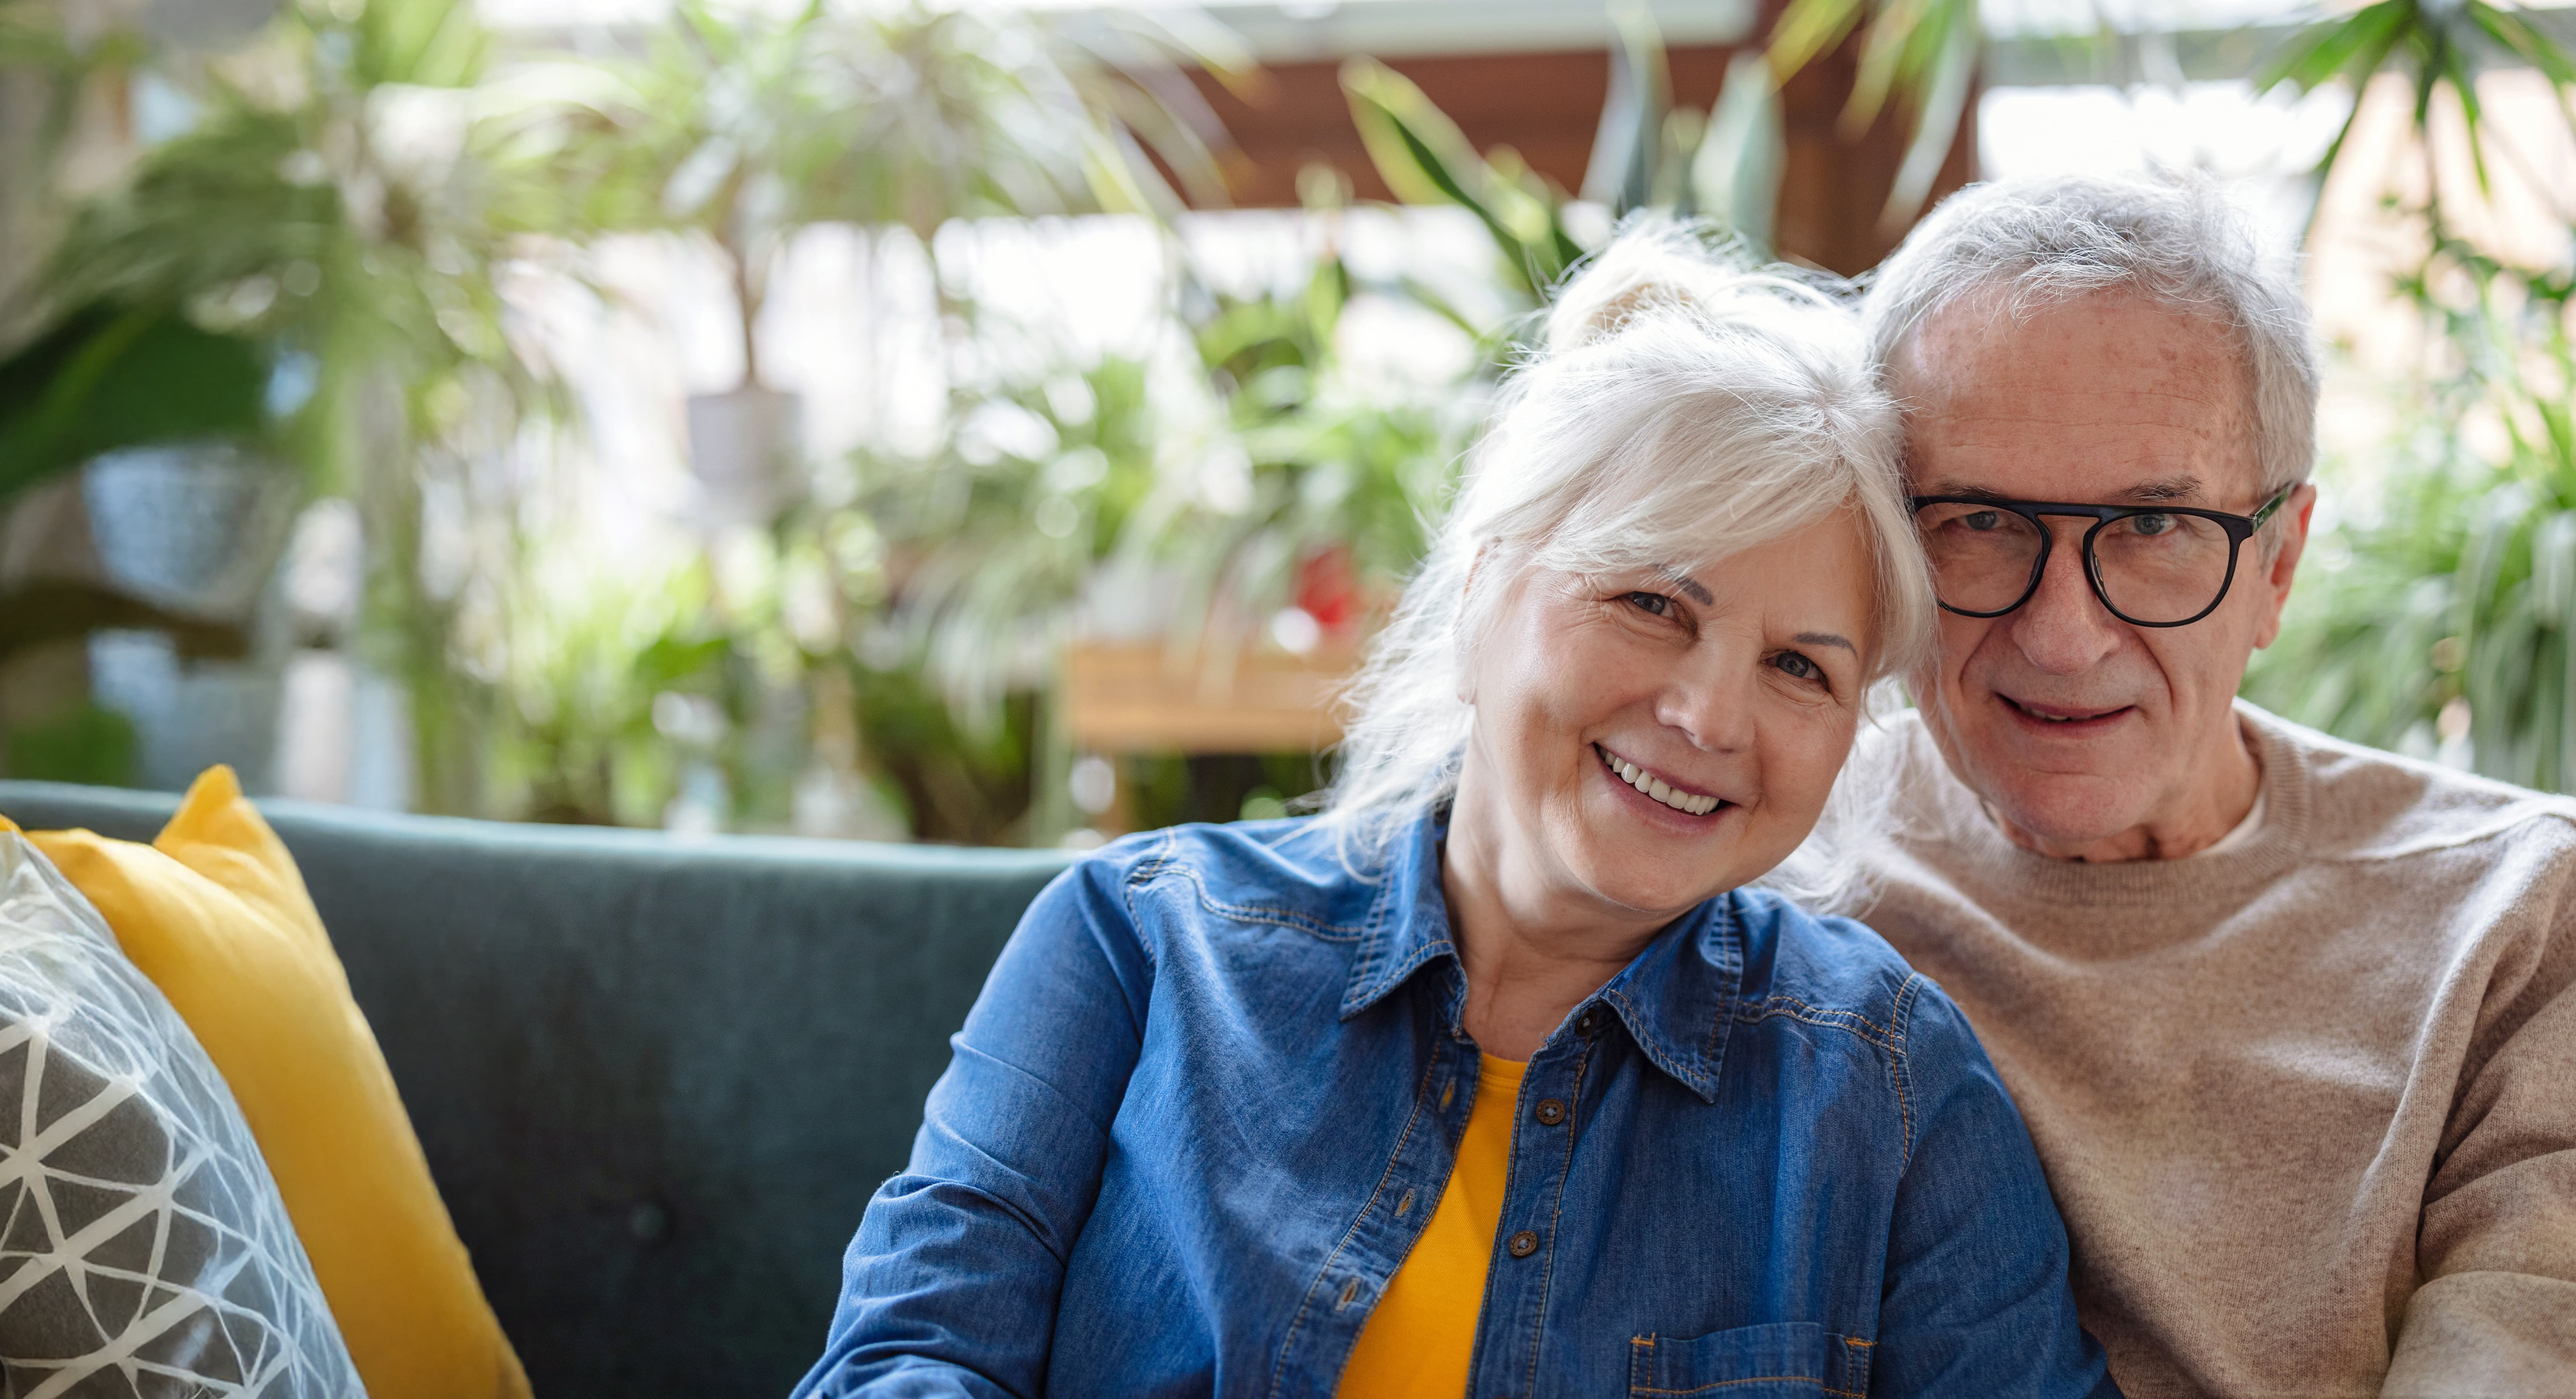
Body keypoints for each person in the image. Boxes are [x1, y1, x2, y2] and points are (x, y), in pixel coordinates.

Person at [792, 224, 2119, 1398]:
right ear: (1487, 591)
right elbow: (910, 1357)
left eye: (1799, 668)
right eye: (1652, 602)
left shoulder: (1884, 1086)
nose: (1712, 718)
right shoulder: (1141, 943)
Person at [1834, 171, 2576, 1394]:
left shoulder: (2517, 918)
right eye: (1977, 521)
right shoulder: (1771, 873)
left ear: (2278, 566)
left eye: (2155, 528)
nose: (2063, 636)